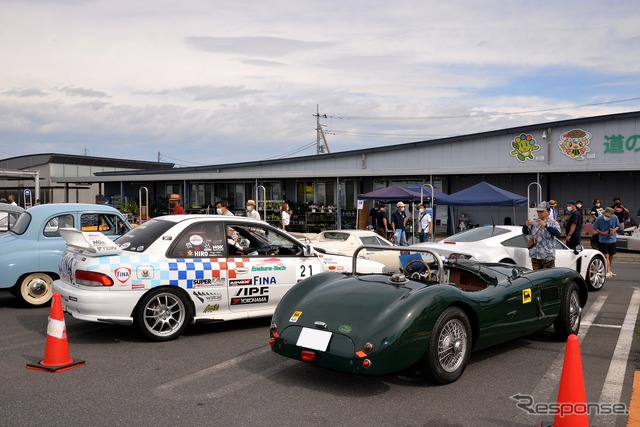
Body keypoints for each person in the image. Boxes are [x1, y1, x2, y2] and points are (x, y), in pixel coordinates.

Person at [522, 201, 561, 270]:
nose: (539, 213)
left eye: (542, 211)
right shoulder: (534, 221)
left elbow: (558, 233)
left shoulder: (552, 222)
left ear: (548, 212)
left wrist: (546, 226)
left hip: (547, 255)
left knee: (548, 277)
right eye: (538, 211)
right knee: (537, 277)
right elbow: (525, 233)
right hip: (535, 254)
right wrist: (525, 225)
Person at [593, 206, 619, 277]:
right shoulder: (599, 219)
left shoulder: (615, 217)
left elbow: (617, 226)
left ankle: (609, 270)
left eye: (609, 216)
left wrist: (613, 230)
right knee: (606, 256)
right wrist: (602, 233)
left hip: (612, 239)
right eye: (606, 215)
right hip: (603, 240)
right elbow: (595, 228)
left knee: (611, 256)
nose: (607, 217)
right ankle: (607, 271)